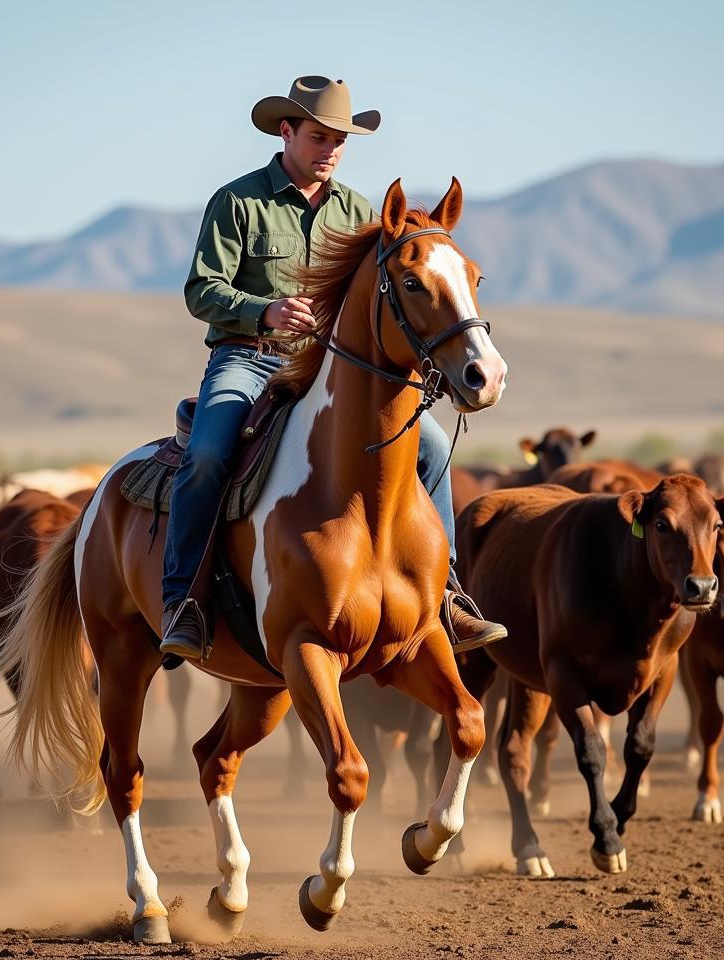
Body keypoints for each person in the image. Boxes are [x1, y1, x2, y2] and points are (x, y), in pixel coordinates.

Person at [161, 75, 506, 659]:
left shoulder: (357, 210)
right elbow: (201, 290)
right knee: (210, 453)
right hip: (249, 358)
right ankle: (184, 602)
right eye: (319, 137)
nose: (331, 151)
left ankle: (446, 593)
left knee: (431, 445)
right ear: (287, 131)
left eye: (340, 141)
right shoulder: (239, 201)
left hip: (330, 366)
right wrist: (264, 310)